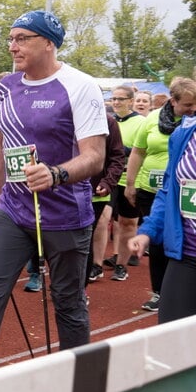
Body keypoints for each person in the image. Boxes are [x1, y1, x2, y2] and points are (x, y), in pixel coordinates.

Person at [0, 10, 108, 386]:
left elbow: (95, 155)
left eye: (22, 38)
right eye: (10, 38)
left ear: (48, 42)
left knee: (67, 303)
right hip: (13, 212)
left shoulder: (80, 86)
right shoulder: (7, 87)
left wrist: (56, 174)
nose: (12, 45)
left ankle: (80, 384)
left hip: (66, 215)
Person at [125, 78, 196, 311]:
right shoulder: (183, 134)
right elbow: (169, 191)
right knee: (171, 332)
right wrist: (148, 231)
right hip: (187, 252)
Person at [103, 86, 146, 281]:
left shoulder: (141, 122)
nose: (117, 102)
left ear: (131, 100)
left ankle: (122, 264)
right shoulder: (106, 120)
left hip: (130, 179)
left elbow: (140, 150)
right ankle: (96, 264)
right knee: (103, 221)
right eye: (114, 98)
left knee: (127, 222)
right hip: (107, 178)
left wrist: (120, 150)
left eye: (121, 99)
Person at [86, 114, 125, 286]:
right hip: (64, 191)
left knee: (84, 239)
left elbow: (117, 157)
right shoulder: (64, 115)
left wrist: (108, 182)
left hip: (96, 192)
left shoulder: (108, 122)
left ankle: (80, 289)